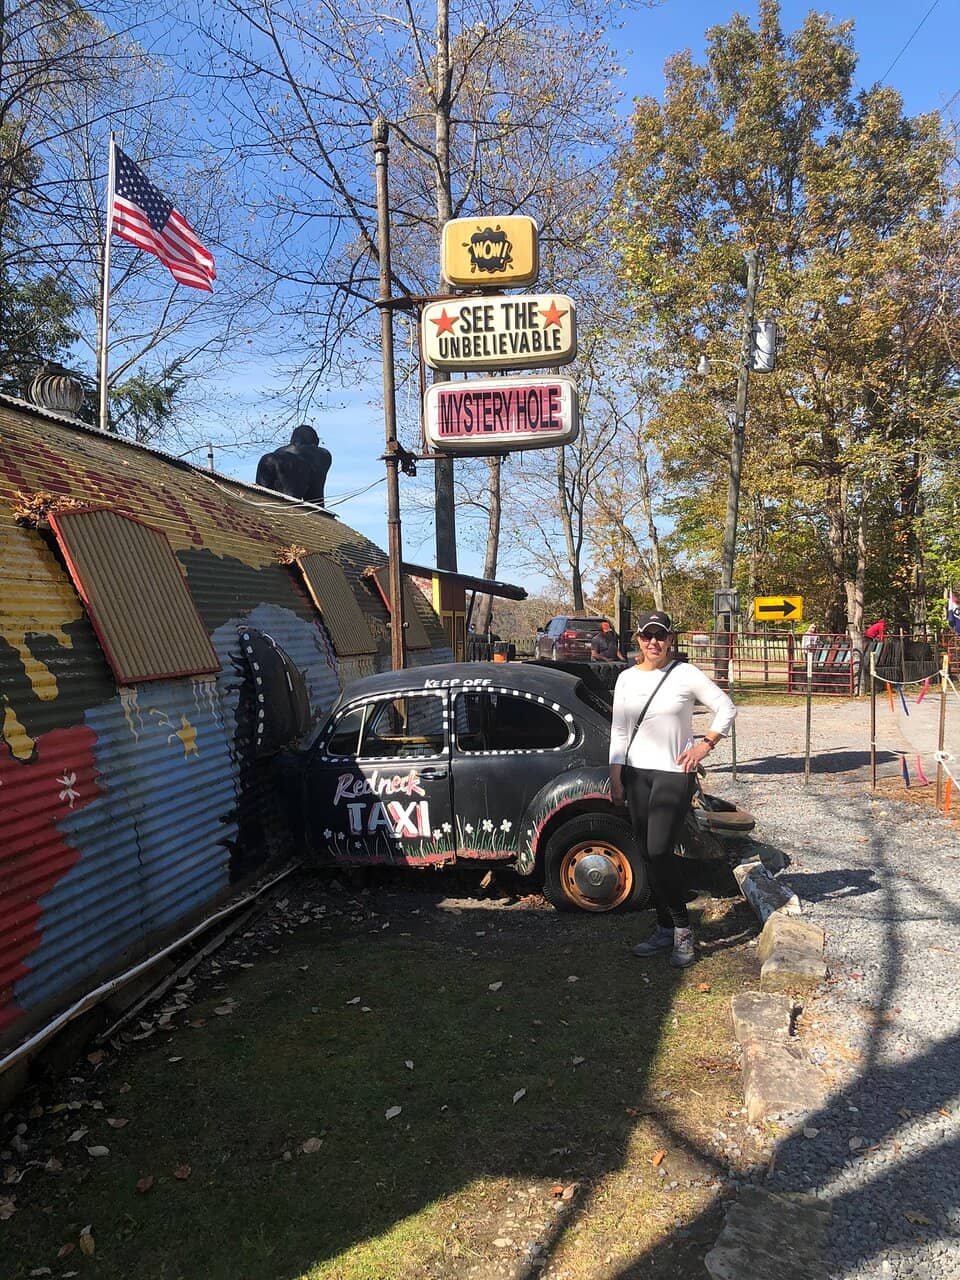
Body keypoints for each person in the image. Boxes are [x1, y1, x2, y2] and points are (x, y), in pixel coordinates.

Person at [609, 610, 736, 968]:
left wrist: (704, 745)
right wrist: (616, 776)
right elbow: (620, 730)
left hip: (673, 774)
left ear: (670, 640)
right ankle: (664, 927)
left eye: (660, 636)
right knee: (647, 854)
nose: (654, 643)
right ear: (638, 639)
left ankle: (682, 929)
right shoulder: (626, 679)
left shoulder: (685, 674)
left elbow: (726, 708)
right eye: (648, 636)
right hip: (636, 773)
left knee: (659, 848)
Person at [255, 425, 332, 505]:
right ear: (315, 441)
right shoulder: (324, 455)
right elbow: (315, 496)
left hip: (277, 497)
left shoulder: (278, 453)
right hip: (298, 500)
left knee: (263, 496)